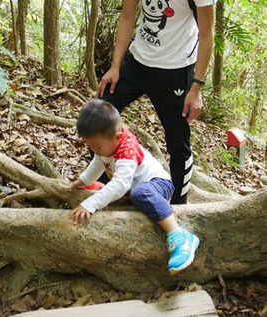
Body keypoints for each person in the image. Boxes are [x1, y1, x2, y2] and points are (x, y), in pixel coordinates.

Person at [97, 0, 216, 204]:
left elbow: (207, 35)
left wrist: (196, 88)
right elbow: (127, 16)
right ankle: (104, 187)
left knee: (178, 143)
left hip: (176, 70)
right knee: (98, 117)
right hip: (137, 63)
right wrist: (115, 66)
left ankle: (178, 207)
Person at [70, 99, 200, 275]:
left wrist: (90, 205)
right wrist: (84, 180)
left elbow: (121, 184)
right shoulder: (107, 147)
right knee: (103, 189)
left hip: (158, 185)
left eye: (97, 146)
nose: (95, 150)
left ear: (117, 138)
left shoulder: (126, 149)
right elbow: (98, 162)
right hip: (133, 190)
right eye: (90, 146)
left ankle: (179, 236)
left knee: (140, 193)